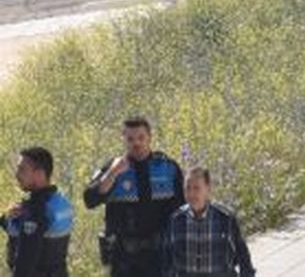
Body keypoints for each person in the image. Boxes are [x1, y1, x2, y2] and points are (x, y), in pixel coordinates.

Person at [84, 117, 184, 277]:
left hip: (158, 257)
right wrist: (113, 173)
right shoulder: (113, 168)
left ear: (150, 137)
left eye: (141, 138)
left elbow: (182, 211)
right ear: (123, 138)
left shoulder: (167, 168)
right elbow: (89, 200)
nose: (136, 143)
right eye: (130, 139)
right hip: (123, 258)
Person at [162, 169, 254, 277]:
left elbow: (243, 257)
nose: (191, 194)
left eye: (196, 188)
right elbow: (166, 261)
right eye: (187, 188)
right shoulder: (176, 220)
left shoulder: (225, 218)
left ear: (208, 189)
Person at [6, 147, 71, 277]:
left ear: (39, 173)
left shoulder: (36, 210)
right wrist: (7, 218)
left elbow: (26, 262)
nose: (17, 174)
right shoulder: (59, 200)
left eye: (22, 169)